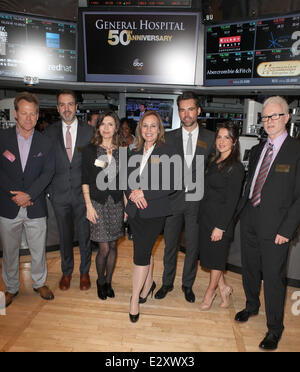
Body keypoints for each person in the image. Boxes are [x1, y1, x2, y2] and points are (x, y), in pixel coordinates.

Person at [235, 96, 300, 351]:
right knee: (249, 268)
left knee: (273, 278)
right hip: (250, 218)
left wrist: (287, 230)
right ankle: (252, 306)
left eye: (275, 116)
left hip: (277, 228)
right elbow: (252, 183)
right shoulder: (259, 148)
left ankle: (275, 328)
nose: (269, 121)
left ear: (286, 117)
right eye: (265, 117)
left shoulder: (296, 150)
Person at [155, 91, 215, 303]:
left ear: (198, 111)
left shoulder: (210, 138)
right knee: (170, 245)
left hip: (197, 202)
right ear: (178, 111)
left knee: (192, 246)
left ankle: (187, 285)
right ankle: (167, 282)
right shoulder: (168, 137)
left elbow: (215, 170)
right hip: (172, 201)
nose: (186, 114)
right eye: (182, 109)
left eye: (191, 109)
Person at [0, 92, 55, 307]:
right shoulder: (2, 138)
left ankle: (39, 282)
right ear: (15, 114)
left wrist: (29, 195)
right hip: (8, 204)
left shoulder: (45, 142)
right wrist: (15, 195)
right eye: (24, 113)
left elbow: (48, 172)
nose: (28, 118)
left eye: (32, 114)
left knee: (38, 249)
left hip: (35, 205)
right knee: (9, 251)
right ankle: (11, 287)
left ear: (38, 115)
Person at [125, 111, 177, 323]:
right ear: (140, 128)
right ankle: (147, 286)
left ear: (159, 129)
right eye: (145, 126)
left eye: (153, 126)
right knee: (145, 251)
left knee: (140, 255)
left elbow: (173, 183)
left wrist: (143, 191)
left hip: (154, 211)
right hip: (135, 211)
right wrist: (131, 194)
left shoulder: (168, 151)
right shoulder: (134, 151)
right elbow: (126, 179)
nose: (148, 130)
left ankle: (135, 300)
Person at [44, 90, 94, 292]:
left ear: (76, 107)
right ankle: (66, 272)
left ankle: (84, 272)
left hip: (83, 194)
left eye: (70, 104)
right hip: (60, 194)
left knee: (84, 234)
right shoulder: (48, 133)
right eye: (62, 105)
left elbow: (95, 162)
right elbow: (43, 164)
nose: (66, 108)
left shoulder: (89, 131)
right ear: (58, 108)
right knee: (64, 236)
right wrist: (49, 190)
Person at [198, 122, 244, 310]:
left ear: (234, 142)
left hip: (220, 221)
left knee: (215, 259)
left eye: (227, 138)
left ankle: (210, 291)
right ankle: (224, 288)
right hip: (206, 217)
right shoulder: (212, 161)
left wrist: (221, 226)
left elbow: (232, 202)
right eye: (219, 137)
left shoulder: (236, 168)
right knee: (212, 258)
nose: (222, 141)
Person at [82, 111, 124, 300]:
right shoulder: (90, 150)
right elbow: (85, 180)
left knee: (114, 245)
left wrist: (126, 207)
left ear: (116, 127)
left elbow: (124, 181)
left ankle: (108, 282)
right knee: (104, 248)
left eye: (110, 124)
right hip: (97, 203)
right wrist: (88, 206)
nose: (106, 128)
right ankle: (100, 280)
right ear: (98, 127)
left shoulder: (122, 150)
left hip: (116, 203)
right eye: (103, 124)